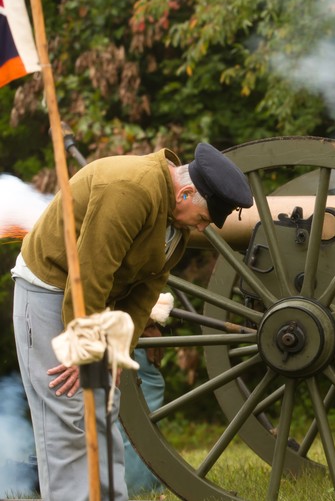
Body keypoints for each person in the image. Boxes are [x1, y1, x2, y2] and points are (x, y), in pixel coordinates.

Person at [11, 142, 253, 501]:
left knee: (102, 406)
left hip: (91, 305)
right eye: (203, 219)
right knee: (68, 415)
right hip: (51, 292)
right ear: (186, 193)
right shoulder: (130, 189)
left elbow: (147, 291)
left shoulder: (175, 219)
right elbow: (91, 272)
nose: (201, 228)